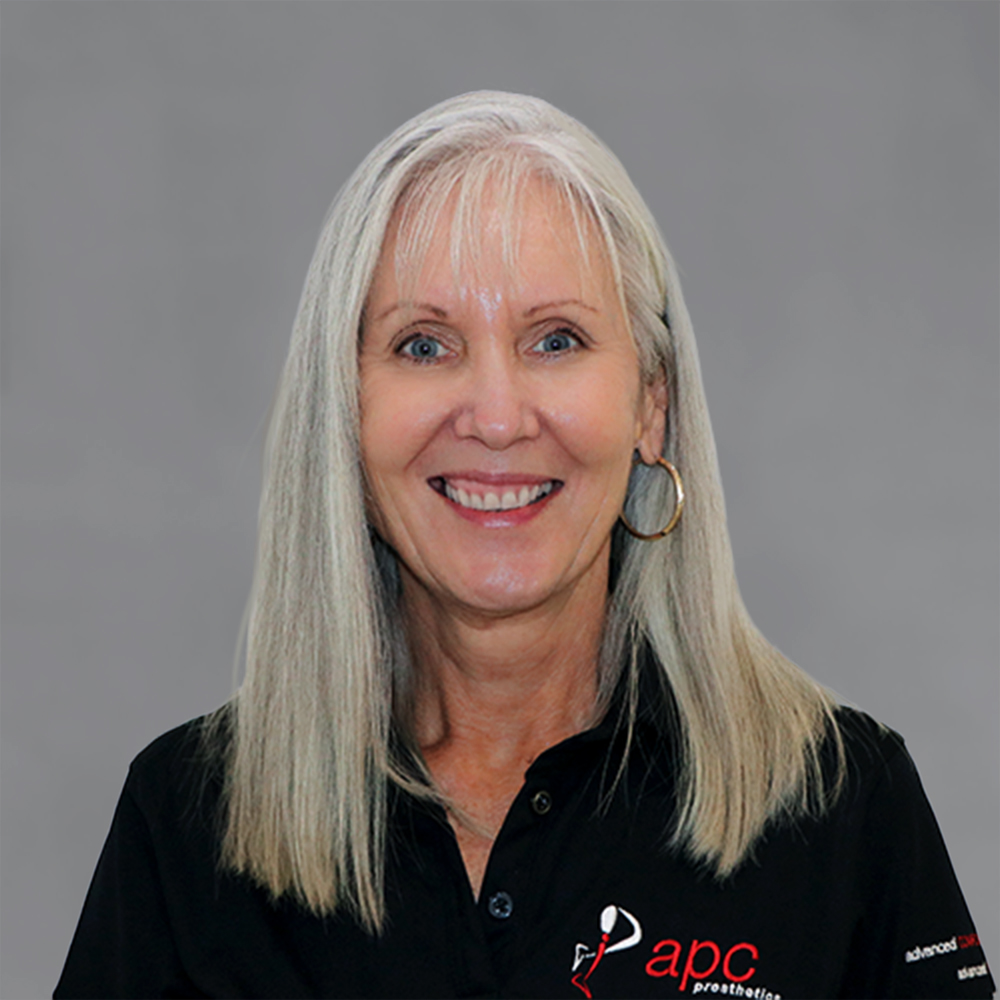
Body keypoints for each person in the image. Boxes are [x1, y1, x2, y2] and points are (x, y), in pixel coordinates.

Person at [55, 91, 992, 1000]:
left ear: (651, 405)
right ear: (344, 410)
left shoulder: (844, 806)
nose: (497, 418)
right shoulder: (186, 826)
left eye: (555, 340)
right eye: (424, 345)